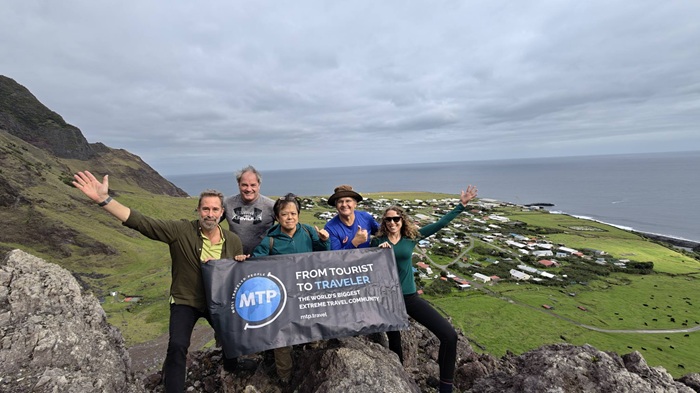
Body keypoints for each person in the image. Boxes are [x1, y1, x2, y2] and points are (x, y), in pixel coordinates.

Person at [72, 171, 243, 393]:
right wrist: (104, 200)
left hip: (217, 302)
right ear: (198, 210)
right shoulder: (181, 231)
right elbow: (142, 222)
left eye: (215, 210)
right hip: (186, 300)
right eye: (205, 209)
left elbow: (236, 275)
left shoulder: (233, 241)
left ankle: (232, 366)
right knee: (177, 345)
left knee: (233, 336)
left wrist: (240, 262)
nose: (210, 214)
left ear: (222, 213)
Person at [371, 184, 478, 393]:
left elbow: (440, 224)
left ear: (402, 221)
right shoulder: (377, 241)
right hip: (389, 299)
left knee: (448, 335)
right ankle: (398, 382)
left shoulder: (412, 238)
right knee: (395, 344)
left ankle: (445, 386)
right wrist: (376, 250)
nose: (392, 222)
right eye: (388, 219)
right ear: (383, 223)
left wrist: (461, 206)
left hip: (409, 297)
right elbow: (358, 262)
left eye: (396, 219)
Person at [236, 193, 330, 383]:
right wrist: (244, 261)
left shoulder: (309, 231)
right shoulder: (270, 240)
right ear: (278, 217)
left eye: (293, 214)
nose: (290, 218)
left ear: (298, 215)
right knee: (282, 338)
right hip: (281, 297)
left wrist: (324, 240)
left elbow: (324, 255)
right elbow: (256, 266)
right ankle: (285, 378)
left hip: (306, 293)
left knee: (312, 332)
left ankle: (312, 367)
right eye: (285, 214)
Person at [223, 165, 276, 255]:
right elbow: (211, 224)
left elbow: (286, 227)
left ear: (259, 185)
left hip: (261, 258)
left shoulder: (271, 206)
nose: (248, 189)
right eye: (244, 185)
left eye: (253, 185)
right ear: (238, 184)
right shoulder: (227, 203)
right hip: (235, 257)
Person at [324, 184, 380, 250]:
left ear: (355, 204)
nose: (344, 205)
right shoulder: (331, 228)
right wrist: (355, 242)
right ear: (336, 206)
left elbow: (382, 232)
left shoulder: (365, 217)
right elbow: (337, 256)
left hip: (367, 259)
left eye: (348, 201)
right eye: (340, 202)